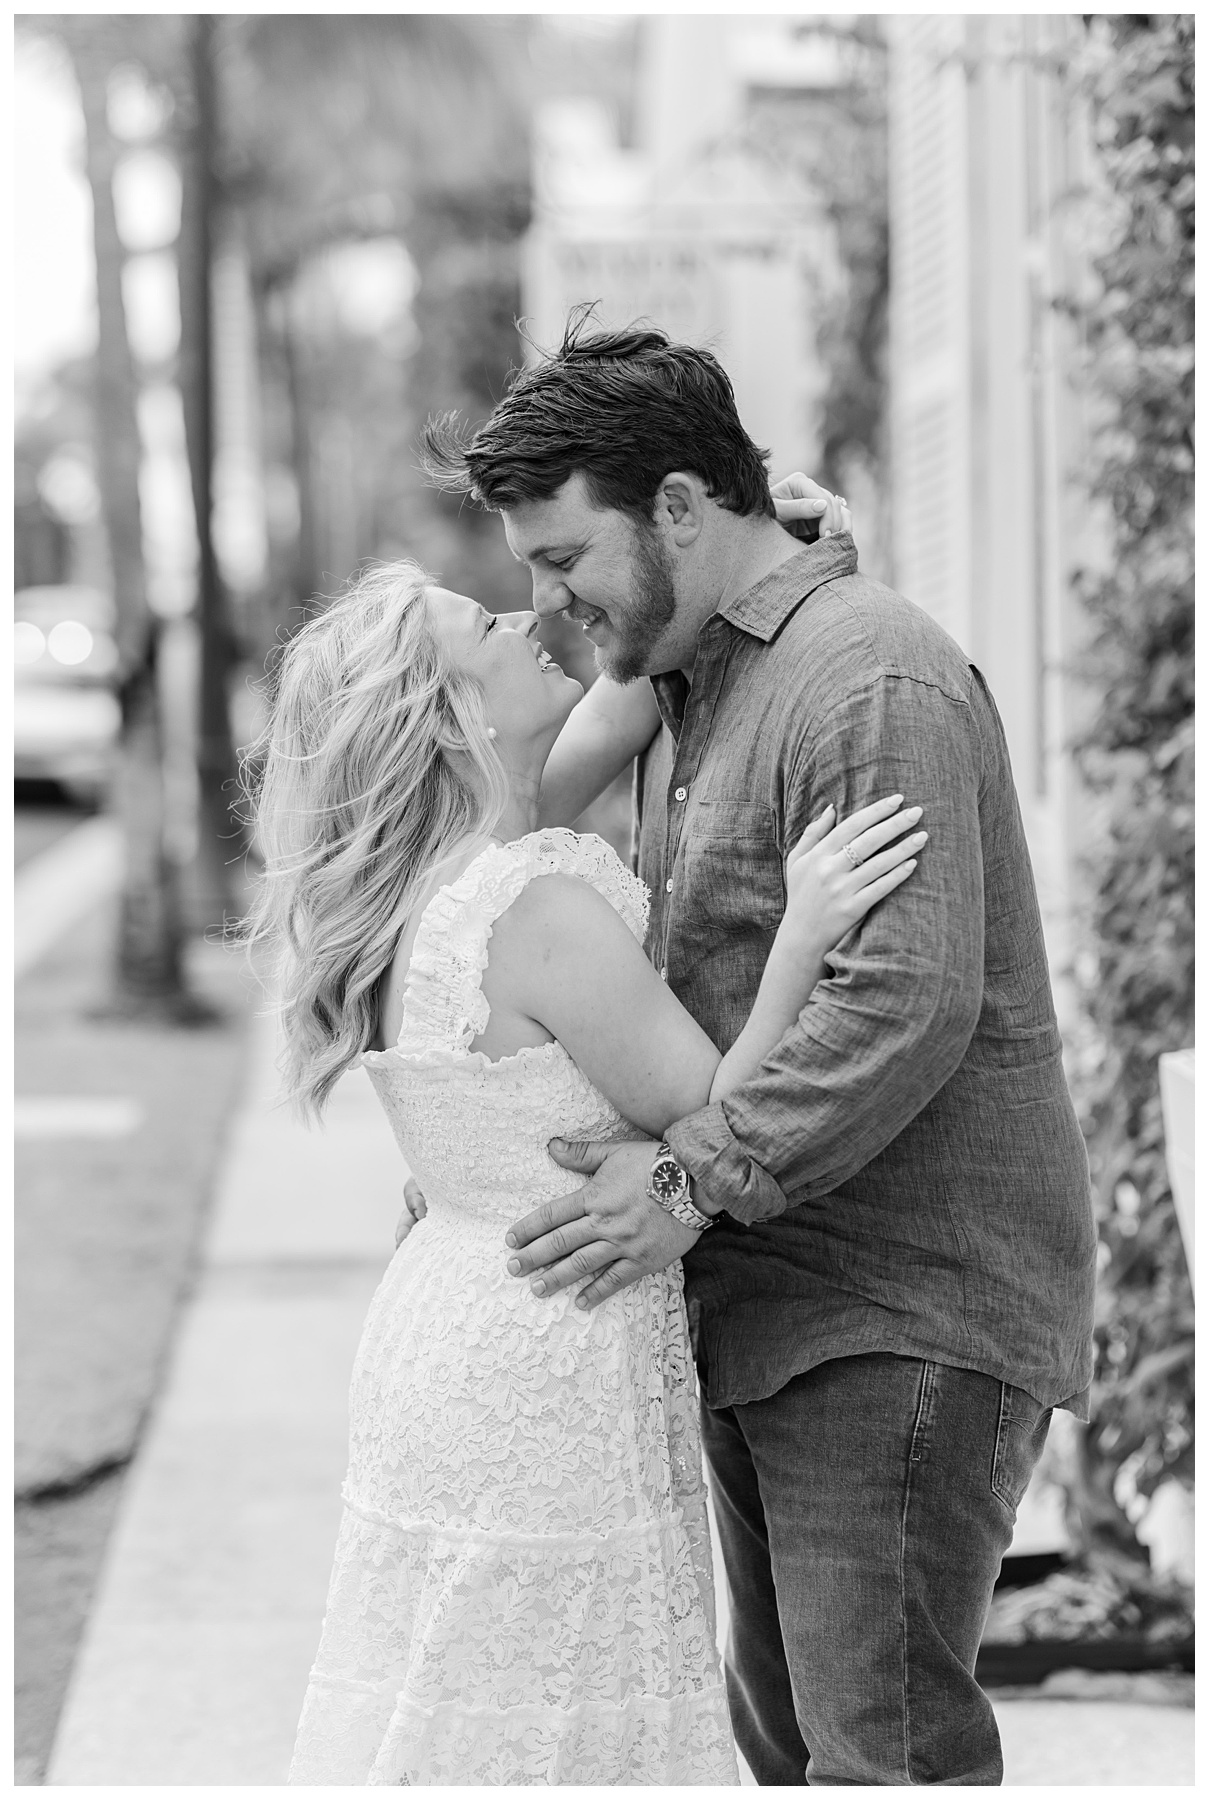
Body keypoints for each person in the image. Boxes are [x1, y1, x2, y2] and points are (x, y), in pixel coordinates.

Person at [417, 313, 1098, 1786]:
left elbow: (897, 1006)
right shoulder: (698, 676)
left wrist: (677, 1186)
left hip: (895, 1313)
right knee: (792, 1753)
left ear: (676, 506)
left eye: (563, 560)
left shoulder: (868, 682)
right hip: (764, 1309)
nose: (547, 604)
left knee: (881, 1761)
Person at [245, 554, 924, 1784]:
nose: (527, 618)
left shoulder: (414, 892)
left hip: (446, 1332)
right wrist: (806, 934)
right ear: (454, 718)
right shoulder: (533, 905)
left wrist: (768, 563)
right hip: (553, 1354)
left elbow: (602, 698)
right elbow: (719, 1106)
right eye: (486, 624)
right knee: (562, 1722)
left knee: (460, 1700)